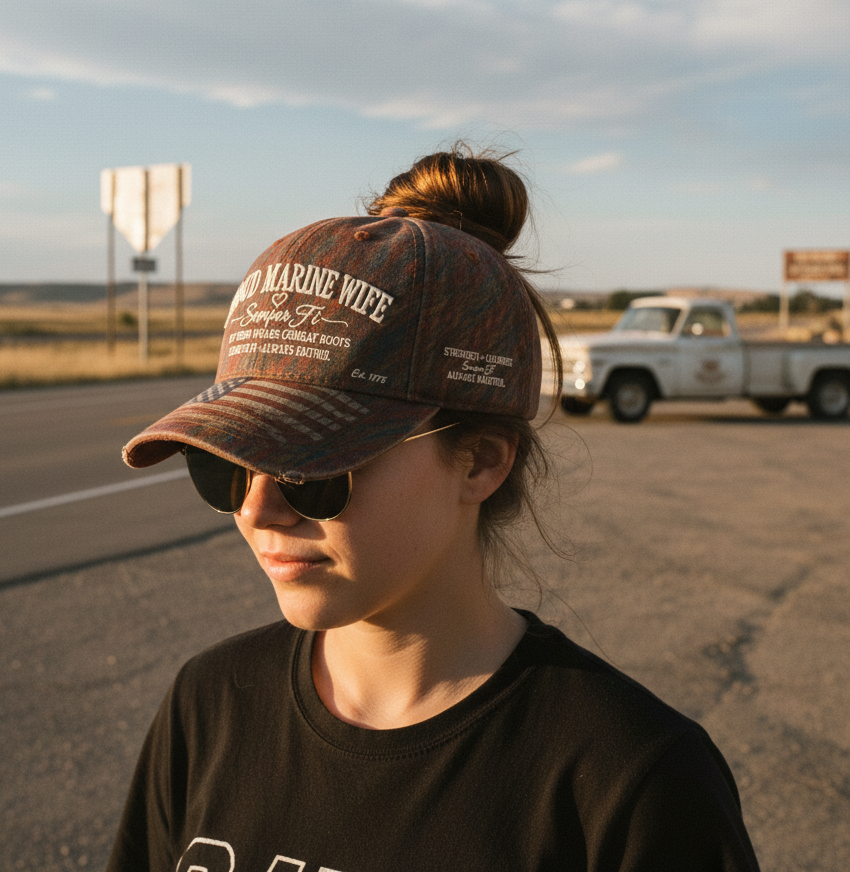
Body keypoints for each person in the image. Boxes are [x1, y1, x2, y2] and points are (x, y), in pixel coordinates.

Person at [107, 148, 760, 872]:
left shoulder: (630, 784)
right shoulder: (210, 707)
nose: (258, 509)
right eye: (226, 463)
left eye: (315, 468)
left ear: (480, 461)